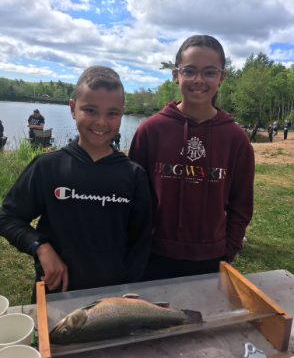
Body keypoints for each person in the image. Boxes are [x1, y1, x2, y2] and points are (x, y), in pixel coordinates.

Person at [0, 66, 152, 303]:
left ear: (122, 113)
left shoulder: (134, 175)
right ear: (73, 108)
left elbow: (141, 243)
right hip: (55, 293)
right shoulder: (47, 166)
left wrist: (127, 288)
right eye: (90, 110)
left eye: (112, 113)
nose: (101, 122)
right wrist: (40, 246)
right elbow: (7, 217)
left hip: (113, 297)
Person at [129, 35, 254, 282]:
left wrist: (229, 250)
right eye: (189, 71)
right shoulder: (150, 131)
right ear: (175, 74)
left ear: (222, 77)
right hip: (153, 254)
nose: (198, 80)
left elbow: (241, 204)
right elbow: (132, 196)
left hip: (211, 256)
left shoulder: (235, 138)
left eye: (209, 72)